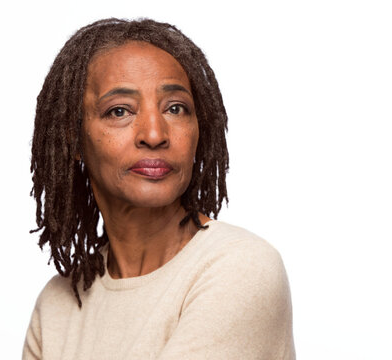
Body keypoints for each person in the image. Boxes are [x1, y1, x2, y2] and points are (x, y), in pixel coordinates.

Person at [23, 18, 295, 359]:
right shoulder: (57, 306)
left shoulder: (240, 268)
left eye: (175, 108)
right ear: (73, 138)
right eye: (119, 111)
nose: (154, 134)